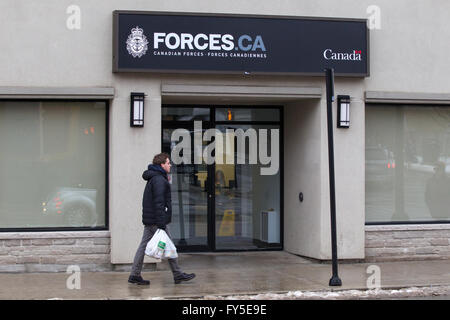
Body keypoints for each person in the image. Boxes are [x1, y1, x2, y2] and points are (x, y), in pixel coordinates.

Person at [128, 153, 196, 285]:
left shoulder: (155, 178)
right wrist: (161, 223)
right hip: (156, 220)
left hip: (151, 219)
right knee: (169, 246)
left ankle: (135, 274)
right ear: (162, 165)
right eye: (168, 163)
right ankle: (177, 274)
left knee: (143, 246)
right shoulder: (159, 180)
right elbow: (159, 202)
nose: (170, 165)